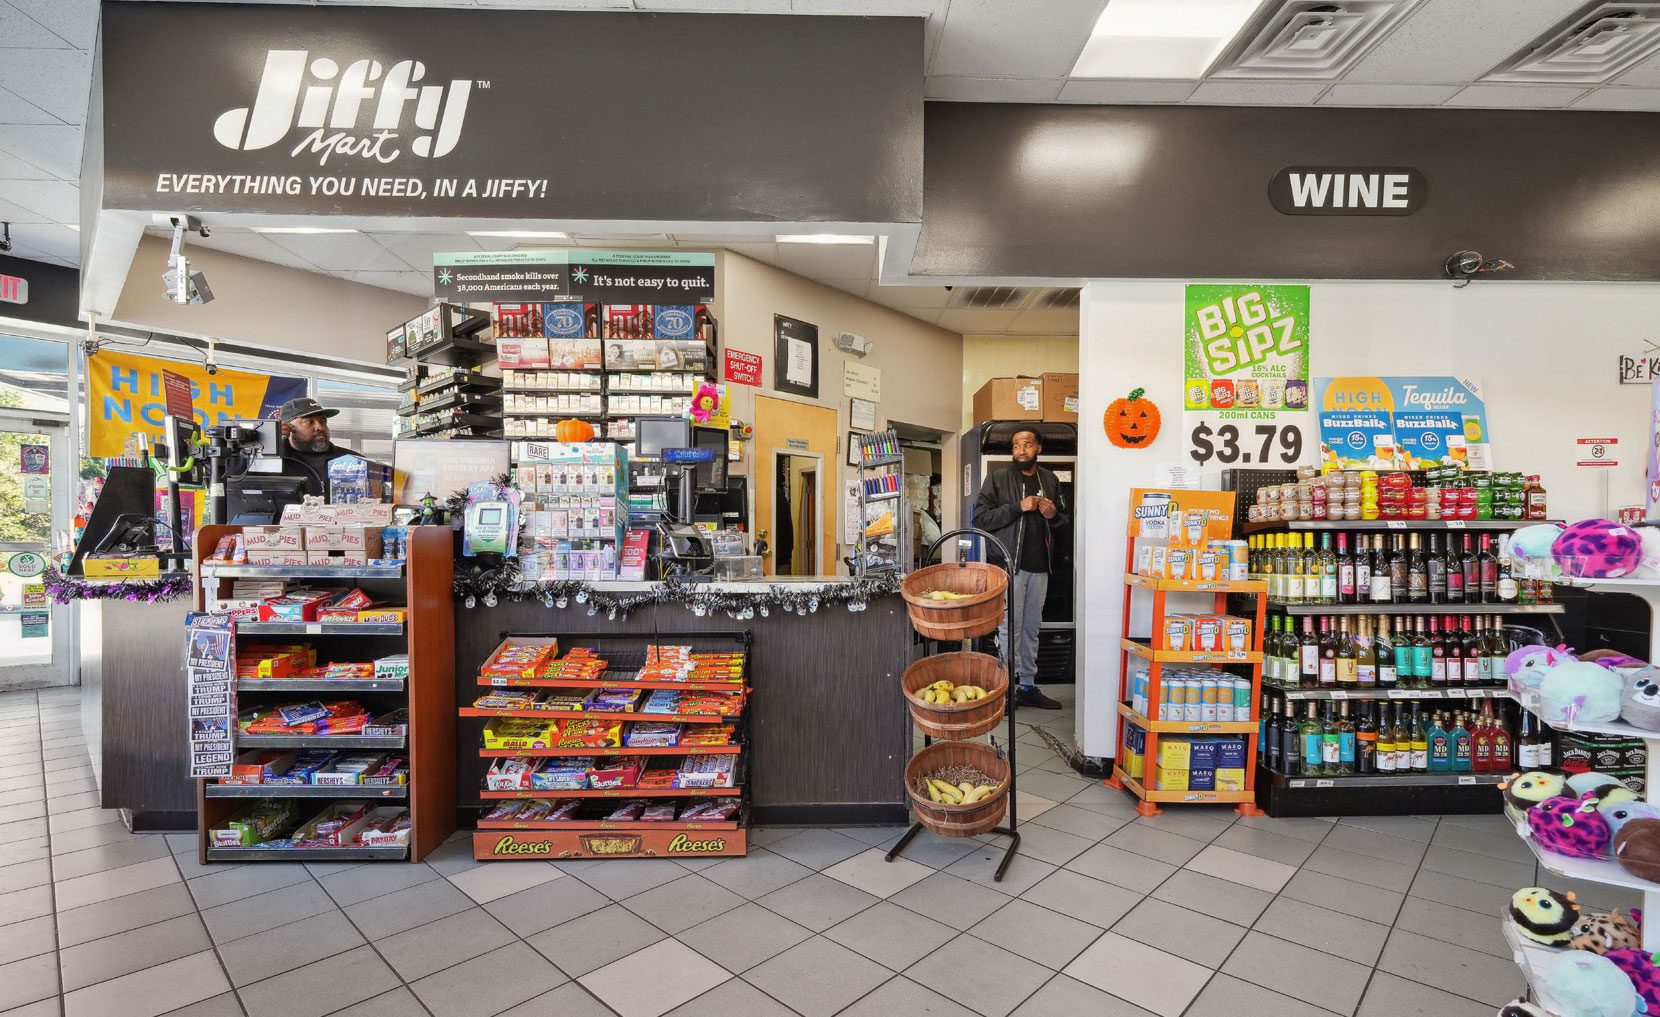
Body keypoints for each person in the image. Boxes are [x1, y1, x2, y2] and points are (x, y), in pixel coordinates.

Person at [973, 428, 1069, 710]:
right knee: (1009, 628)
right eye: (1016, 445)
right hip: (1008, 565)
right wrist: (1018, 507)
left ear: (1038, 448)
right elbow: (980, 519)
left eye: (1027, 444)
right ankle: (1005, 688)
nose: (1021, 450)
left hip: (1040, 567)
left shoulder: (1050, 479)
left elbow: (1063, 520)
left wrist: (1052, 515)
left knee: (1031, 629)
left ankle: (1027, 686)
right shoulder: (998, 478)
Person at [276, 396, 359, 500]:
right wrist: (269, 444)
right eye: (309, 422)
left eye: (323, 421)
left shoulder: (354, 460)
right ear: (286, 427)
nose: (320, 427)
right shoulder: (270, 461)